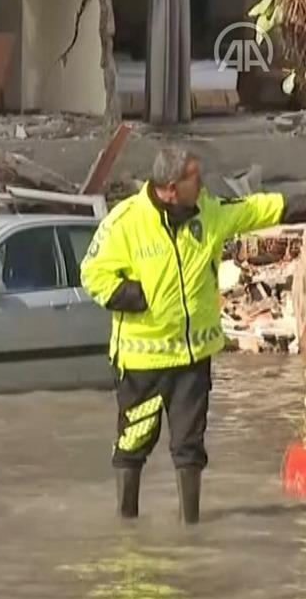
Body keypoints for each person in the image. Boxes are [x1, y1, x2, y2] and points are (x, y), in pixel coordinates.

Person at [80, 146, 306, 524]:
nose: (202, 183)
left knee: (190, 447)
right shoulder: (125, 223)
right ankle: (127, 524)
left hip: (193, 360)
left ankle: (191, 527)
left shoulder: (209, 211)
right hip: (143, 362)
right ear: (170, 188)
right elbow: (92, 273)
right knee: (133, 445)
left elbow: (256, 209)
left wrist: (297, 204)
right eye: (194, 178)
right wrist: (133, 297)